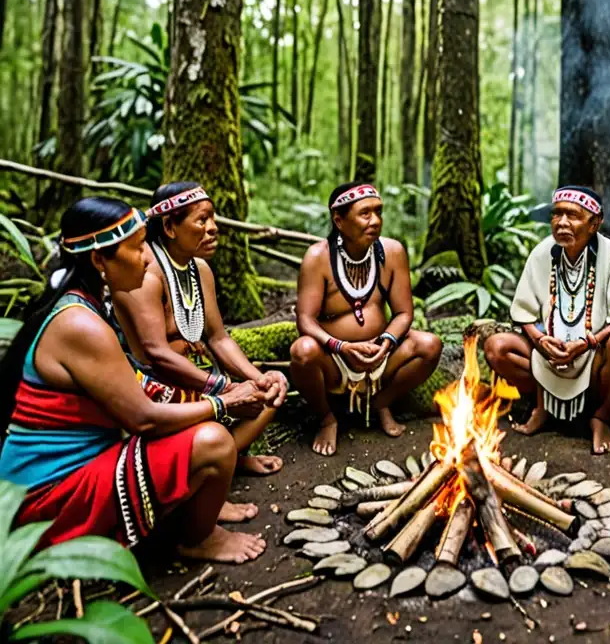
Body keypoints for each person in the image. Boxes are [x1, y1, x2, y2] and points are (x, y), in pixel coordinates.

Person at [0, 197, 269, 563]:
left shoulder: (89, 307)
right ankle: (197, 539)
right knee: (214, 443)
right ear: (99, 260)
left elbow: (139, 385)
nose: (146, 257)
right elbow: (143, 417)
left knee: (202, 424)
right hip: (46, 496)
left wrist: (229, 391)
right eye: (137, 247)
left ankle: (187, 514)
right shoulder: (79, 324)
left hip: (81, 465)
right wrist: (223, 402)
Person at [111, 182, 288, 523]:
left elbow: (219, 338)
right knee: (230, 411)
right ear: (169, 227)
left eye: (213, 218)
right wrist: (224, 389)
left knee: (271, 392)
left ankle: (229, 460)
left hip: (204, 378)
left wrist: (256, 378)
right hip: (159, 388)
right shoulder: (146, 276)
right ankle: (207, 486)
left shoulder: (200, 270)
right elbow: (156, 353)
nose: (213, 228)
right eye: (202, 219)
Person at [485, 186, 610, 455]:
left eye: (572, 215)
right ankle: (544, 408)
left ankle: (601, 417)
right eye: (557, 214)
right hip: (547, 353)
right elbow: (524, 314)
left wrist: (587, 344)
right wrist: (540, 341)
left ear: (594, 223)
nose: (562, 222)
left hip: (593, 358)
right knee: (497, 347)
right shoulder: (543, 253)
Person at [289, 183, 442, 455]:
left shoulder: (392, 252)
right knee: (302, 351)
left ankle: (381, 402)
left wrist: (386, 342)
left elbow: (404, 313)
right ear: (339, 220)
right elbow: (305, 320)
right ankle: (327, 418)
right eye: (365, 214)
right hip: (335, 358)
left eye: (379, 212)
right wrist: (342, 346)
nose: (376, 221)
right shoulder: (318, 258)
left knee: (429, 345)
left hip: (381, 354)